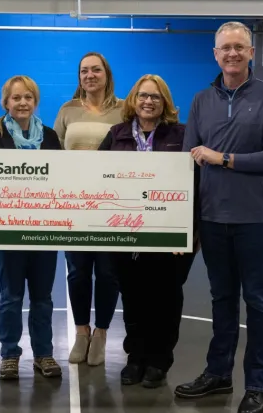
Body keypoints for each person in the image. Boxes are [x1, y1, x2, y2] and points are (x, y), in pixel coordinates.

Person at [175, 21, 263, 413]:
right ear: (215, 54)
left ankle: (256, 385)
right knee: (221, 300)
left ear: (251, 53)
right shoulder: (201, 100)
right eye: (225, 48)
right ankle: (218, 374)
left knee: (258, 302)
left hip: (255, 220)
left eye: (240, 47)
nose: (232, 54)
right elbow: (187, 164)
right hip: (212, 219)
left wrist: (222, 158)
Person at [97, 74, 198, 388]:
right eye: (142, 95)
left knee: (165, 299)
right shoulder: (116, 135)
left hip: (170, 237)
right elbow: (94, 178)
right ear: (133, 100)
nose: (148, 101)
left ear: (165, 101)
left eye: (155, 96)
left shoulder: (182, 136)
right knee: (133, 298)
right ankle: (135, 357)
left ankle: (158, 360)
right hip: (123, 235)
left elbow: (197, 185)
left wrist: (191, 232)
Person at [53, 51, 124, 366]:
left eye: (96, 70)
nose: (90, 75)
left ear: (106, 74)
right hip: (75, 206)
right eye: (84, 71)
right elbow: (52, 153)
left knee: (109, 273)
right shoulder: (67, 110)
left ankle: (102, 333)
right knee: (78, 272)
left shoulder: (125, 110)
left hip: (114, 205)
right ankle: (82, 332)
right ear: (79, 76)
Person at [0, 75, 63, 380]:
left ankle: (43, 353)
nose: (22, 103)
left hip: (44, 229)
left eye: (28, 98)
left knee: (43, 296)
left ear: (35, 101)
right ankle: (9, 354)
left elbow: (62, 179)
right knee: (10, 295)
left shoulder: (49, 136)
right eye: (16, 98)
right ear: (6, 102)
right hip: (7, 230)